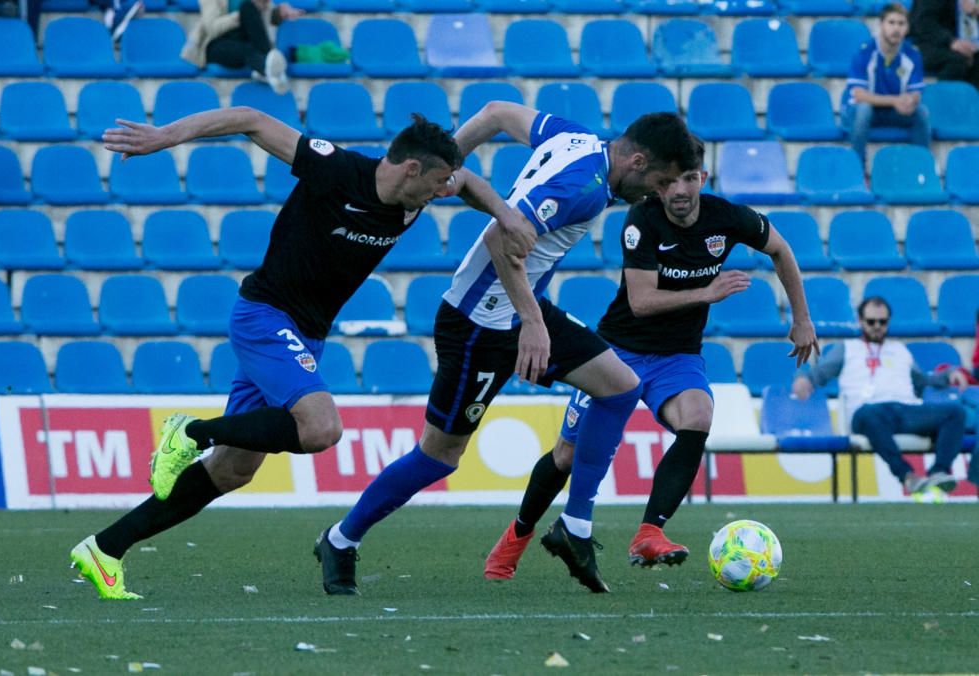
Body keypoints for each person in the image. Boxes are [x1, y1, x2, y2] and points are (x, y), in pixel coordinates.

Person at [69, 106, 529, 600]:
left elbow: (468, 182)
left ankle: (105, 548)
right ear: (410, 168)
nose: (444, 191)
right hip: (265, 316)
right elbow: (249, 117)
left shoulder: (427, 187)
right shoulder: (335, 168)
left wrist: (507, 215)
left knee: (233, 470)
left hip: (305, 335)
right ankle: (190, 431)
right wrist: (166, 135)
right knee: (321, 428)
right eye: (438, 181)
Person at [314, 103, 699, 597]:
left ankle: (575, 527)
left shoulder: (575, 135)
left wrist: (447, 164)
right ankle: (340, 539)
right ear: (639, 161)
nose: (661, 194)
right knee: (438, 457)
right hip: (479, 324)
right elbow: (501, 238)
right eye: (662, 182)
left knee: (621, 387)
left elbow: (497, 113)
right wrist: (534, 324)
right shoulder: (582, 190)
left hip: (520, 308)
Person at [483, 148, 820, 583]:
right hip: (615, 353)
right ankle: (516, 538)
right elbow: (641, 302)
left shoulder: (728, 217)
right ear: (658, 182)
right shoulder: (642, 219)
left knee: (698, 416)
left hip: (677, 357)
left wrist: (802, 318)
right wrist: (707, 292)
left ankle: (649, 532)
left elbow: (781, 248)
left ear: (703, 175)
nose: (679, 190)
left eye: (688, 179)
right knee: (566, 456)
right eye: (669, 181)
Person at [792, 296, 968, 498]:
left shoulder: (900, 350)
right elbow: (819, 373)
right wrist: (803, 379)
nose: (877, 326)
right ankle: (907, 475)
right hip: (867, 411)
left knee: (955, 413)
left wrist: (948, 375)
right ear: (860, 321)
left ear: (888, 323)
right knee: (869, 414)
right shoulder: (847, 348)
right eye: (871, 321)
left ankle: (939, 471)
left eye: (882, 322)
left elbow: (922, 382)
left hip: (904, 409)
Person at [842, 2, 931, 170]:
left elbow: (916, 91)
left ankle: (920, 168)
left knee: (921, 112)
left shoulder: (912, 55)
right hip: (857, 113)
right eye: (891, 23)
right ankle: (857, 169)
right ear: (881, 25)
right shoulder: (865, 52)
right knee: (864, 109)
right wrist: (895, 100)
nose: (896, 29)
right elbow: (859, 95)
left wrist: (910, 100)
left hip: (890, 111)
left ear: (907, 28)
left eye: (901, 24)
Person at [181, 0, 303, 94]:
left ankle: (267, 67)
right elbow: (212, 28)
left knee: (249, 10)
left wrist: (279, 12)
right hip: (217, 43)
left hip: (248, 42)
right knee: (247, 8)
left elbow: (265, 19)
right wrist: (239, 16)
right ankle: (269, 64)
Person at [909, 0, 979, 88]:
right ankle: (942, 98)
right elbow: (923, 23)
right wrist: (951, 41)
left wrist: (975, 11)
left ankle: (973, 100)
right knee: (958, 61)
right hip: (929, 43)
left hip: (966, 42)